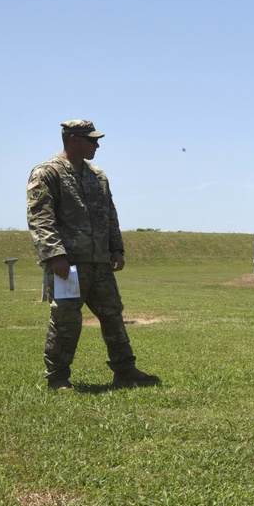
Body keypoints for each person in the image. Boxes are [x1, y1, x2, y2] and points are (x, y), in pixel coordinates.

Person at [26, 119, 160, 391]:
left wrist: (117, 248)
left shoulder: (97, 175)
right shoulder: (47, 173)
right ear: (73, 139)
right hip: (68, 264)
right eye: (92, 140)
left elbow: (109, 214)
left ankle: (125, 370)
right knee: (66, 319)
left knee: (113, 315)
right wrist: (55, 256)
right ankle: (57, 378)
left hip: (99, 263)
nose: (97, 145)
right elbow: (41, 219)